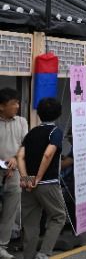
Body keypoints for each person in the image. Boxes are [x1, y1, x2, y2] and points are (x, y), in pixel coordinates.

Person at [15, 97, 66, 259]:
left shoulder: (31, 132)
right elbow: (48, 154)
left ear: (39, 113)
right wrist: (38, 177)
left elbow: (20, 156)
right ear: (58, 114)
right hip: (47, 182)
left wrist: (25, 178)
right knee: (58, 216)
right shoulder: (55, 132)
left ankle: (28, 256)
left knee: (30, 223)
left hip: (28, 184)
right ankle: (43, 253)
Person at [0, 88, 28, 259]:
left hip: (14, 173)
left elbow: (25, 145)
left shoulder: (22, 121)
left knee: (10, 212)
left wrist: (16, 160)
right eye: (13, 104)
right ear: (2, 106)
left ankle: (2, 246)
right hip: (1, 169)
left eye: (18, 103)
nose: (17, 106)